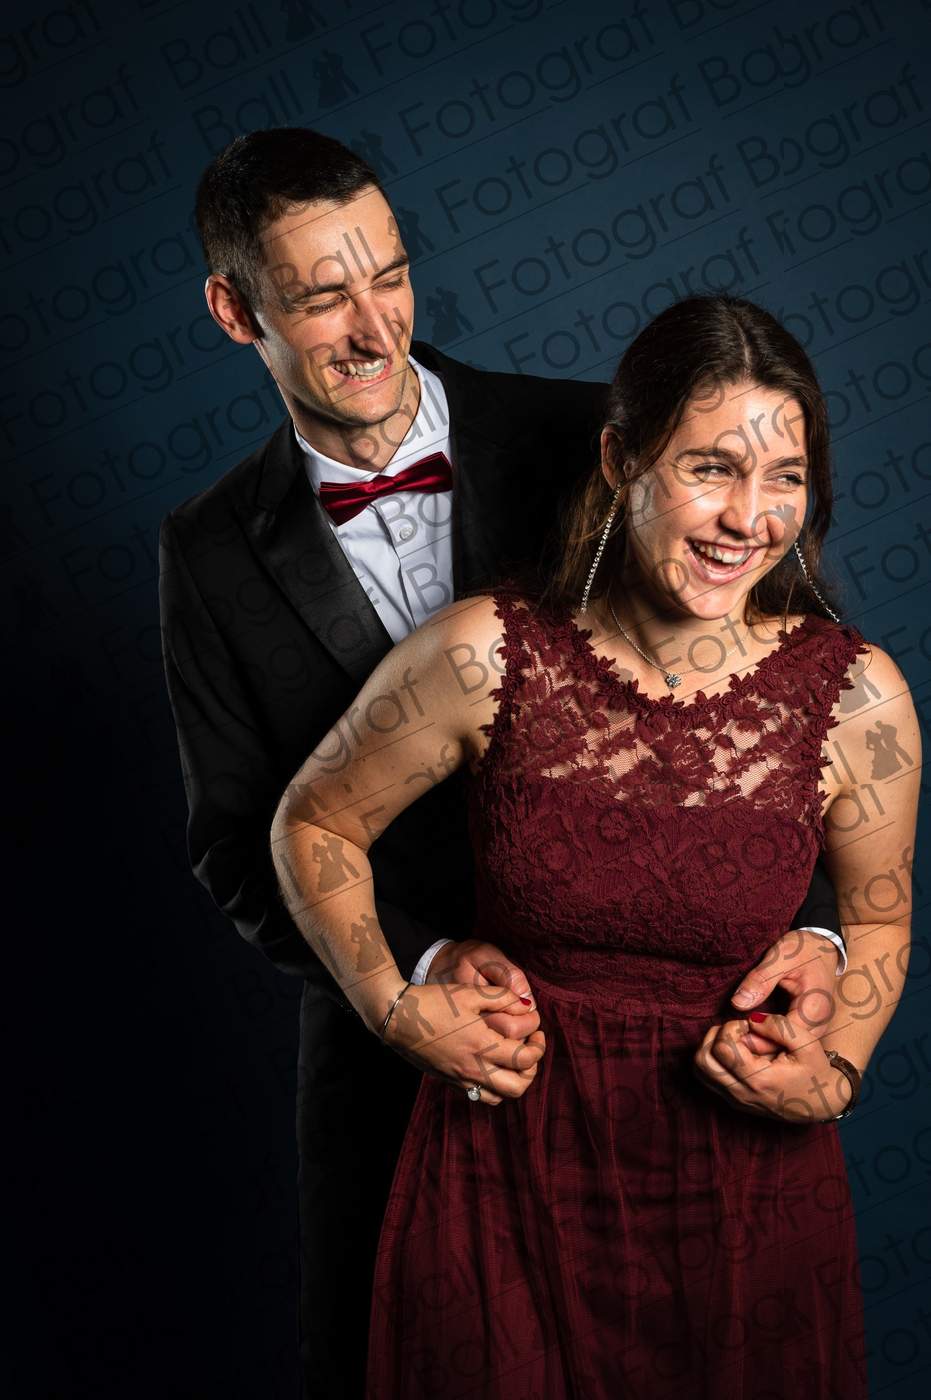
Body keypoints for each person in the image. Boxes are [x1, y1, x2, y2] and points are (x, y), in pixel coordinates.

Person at [157, 126, 847, 1397]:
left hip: (677, 1060)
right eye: (321, 296)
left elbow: (774, 693)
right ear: (233, 310)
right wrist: (414, 977)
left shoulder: (589, 433)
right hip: (396, 1061)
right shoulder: (205, 551)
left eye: (391, 276)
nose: (375, 326)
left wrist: (818, 932)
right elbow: (238, 839)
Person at [270, 294, 919, 1399]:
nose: (748, 517)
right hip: (503, 1181)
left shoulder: (861, 697)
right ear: (620, 461)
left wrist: (837, 1071)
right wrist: (393, 1002)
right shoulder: (482, 652)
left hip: (748, 1200)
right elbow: (312, 822)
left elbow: (877, 919)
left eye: (785, 477)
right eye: (710, 467)